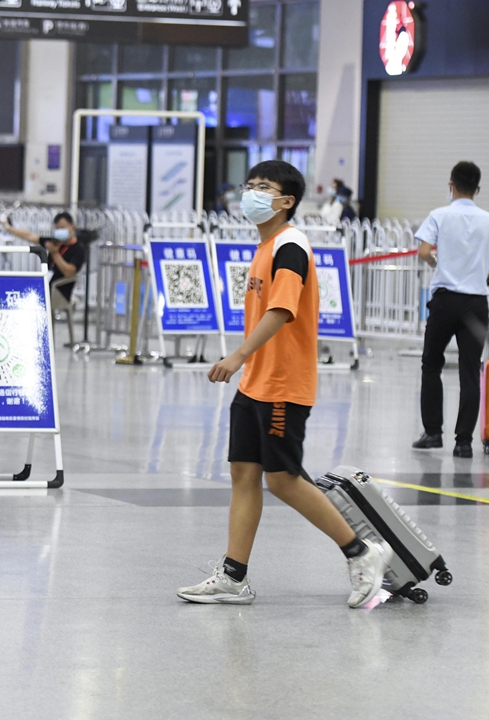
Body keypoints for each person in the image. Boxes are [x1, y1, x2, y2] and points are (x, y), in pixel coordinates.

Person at [177, 159, 392, 608]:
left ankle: (362, 552)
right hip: (256, 383)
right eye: (248, 185)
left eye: (263, 187)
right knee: (243, 475)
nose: (250, 193)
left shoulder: (290, 245)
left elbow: (282, 310)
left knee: (284, 480)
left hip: (282, 383)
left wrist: (237, 356)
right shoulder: (266, 244)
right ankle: (233, 577)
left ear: (286, 201)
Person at [411, 161, 489, 457]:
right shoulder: (487, 219)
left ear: (451, 186)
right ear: (478, 189)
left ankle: (432, 433)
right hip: (475, 302)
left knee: (432, 363)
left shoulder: (439, 215)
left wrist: (436, 264)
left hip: (444, 300)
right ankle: (464, 442)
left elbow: (423, 252)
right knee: (470, 371)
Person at [3, 211, 92, 305]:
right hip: (46, 284)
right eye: (57, 229)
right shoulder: (55, 242)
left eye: (62, 228)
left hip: (59, 290)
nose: (60, 231)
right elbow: (31, 236)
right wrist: (9, 228)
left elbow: (69, 272)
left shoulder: (78, 249)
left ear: (72, 227)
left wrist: (55, 253)